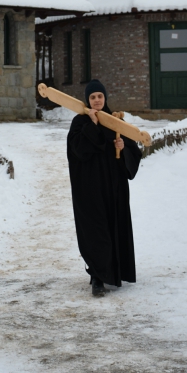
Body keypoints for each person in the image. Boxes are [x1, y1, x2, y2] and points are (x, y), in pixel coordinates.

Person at [67, 79, 141, 297]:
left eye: (100, 96)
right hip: (90, 189)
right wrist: (92, 125)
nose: (97, 100)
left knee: (114, 227)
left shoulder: (116, 121)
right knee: (96, 231)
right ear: (87, 100)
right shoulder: (80, 122)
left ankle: (115, 271)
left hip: (114, 187)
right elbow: (78, 151)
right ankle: (97, 277)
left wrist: (123, 148)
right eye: (92, 97)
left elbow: (133, 152)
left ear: (105, 98)